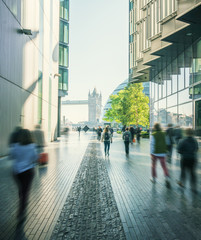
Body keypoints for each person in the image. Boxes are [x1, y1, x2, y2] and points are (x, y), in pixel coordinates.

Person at [10, 129, 38, 220]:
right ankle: (21, 211)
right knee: (25, 191)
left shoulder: (15, 146)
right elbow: (35, 158)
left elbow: (12, 156)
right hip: (28, 171)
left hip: (17, 171)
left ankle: (22, 201)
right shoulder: (32, 146)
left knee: (21, 189)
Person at [177, 128, 198, 192]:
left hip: (184, 158)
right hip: (192, 158)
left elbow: (179, 150)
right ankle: (194, 187)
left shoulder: (182, 141)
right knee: (192, 172)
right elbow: (196, 149)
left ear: (186, 133)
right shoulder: (195, 141)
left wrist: (183, 152)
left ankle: (182, 184)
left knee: (183, 172)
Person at [150, 123, 170, 187]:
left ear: (154, 128)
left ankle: (154, 178)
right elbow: (167, 142)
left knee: (153, 166)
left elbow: (152, 144)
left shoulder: (153, 135)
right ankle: (167, 178)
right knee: (164, 166)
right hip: (163, 153)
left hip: (155, 153)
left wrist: (151, 153)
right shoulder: (164, 133)